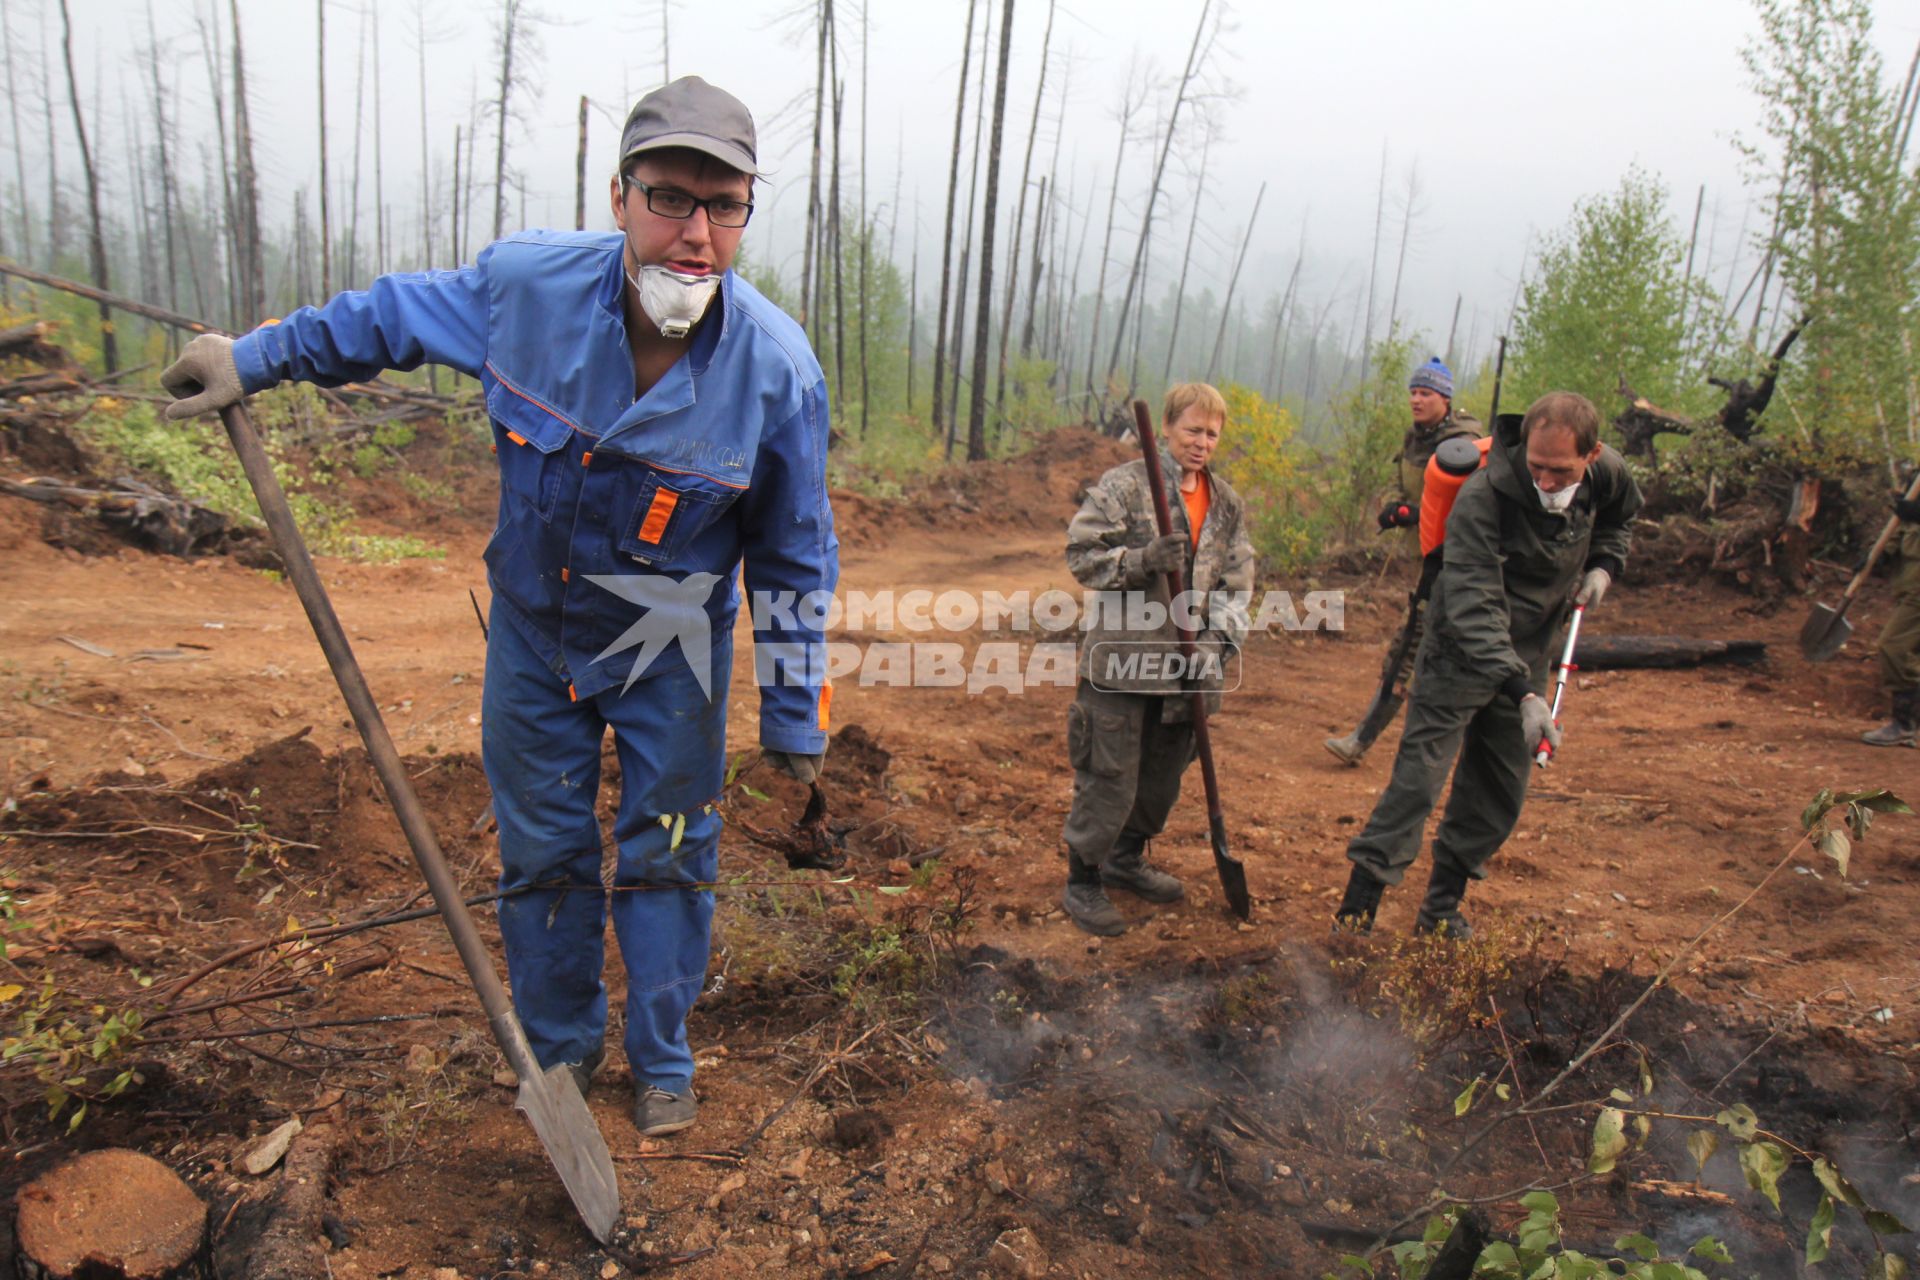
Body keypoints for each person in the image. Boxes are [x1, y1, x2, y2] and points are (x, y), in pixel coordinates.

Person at [160, 77, 838, 1137]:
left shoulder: (776, 372)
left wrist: (796, 711)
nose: (697, 235)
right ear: (618, 197)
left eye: (726, 206)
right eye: (671, 199)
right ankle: (560, 1053)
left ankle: (662, 1055)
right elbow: (386, 318)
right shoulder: (526, 289)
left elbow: (796, 556)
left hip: (671, 656)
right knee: (545, 850)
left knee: (668, 847)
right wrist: (249, 358)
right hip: (535, 635)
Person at [1334, 392, 1641, 936]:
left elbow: (1620, 520)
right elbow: (1475, 602)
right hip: (1459, 647)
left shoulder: (1608, 475)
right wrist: (1524, 693)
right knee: (1417, 783)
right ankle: (1356, 914)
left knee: (1500, 788)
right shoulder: (1484, 495)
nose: (1545, 480)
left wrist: (1603, 567)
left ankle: (1441, 911)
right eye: (1536, 466)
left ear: (1591, 457)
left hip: (1530, 649)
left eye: (1560, 471)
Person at [1059, 382, 1255, 936]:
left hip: (1188, 670)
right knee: (1109, 774)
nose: (1202, 442)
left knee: (1161, 779)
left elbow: (1238, 583)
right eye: (1192, 429)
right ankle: (1084, 880)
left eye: (1212, 434)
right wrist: (1142, 559)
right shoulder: (1124, 485)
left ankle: (1126, 859)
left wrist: (1215, 647)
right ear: (1168, 427)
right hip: (1122, 662)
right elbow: (1081, 555)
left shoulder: (1226, 504)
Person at [1324, 356, 1483, 765]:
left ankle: (1364, 740)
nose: (1416, 399)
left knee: (1411, 650)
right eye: (1413, 392)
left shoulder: (1464, 445)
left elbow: (1472, 505)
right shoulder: (1416, 438)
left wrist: (1422, 512)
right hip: (1430, 563)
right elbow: (1397, 486)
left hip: (1459, 566)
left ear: (1445, 399)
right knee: (1436, 650)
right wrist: (1395, 508)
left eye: (1425, 393)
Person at [1861, 483, 1920, 747]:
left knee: (1892, 647)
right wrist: (1878, 555)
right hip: (1908, 585)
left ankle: (1905, 724)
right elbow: (1901, 529)